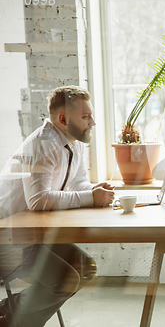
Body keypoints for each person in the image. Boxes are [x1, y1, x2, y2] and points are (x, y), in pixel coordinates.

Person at [0, 86, 115, 327]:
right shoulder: (44, 144)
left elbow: (78, 182)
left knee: (86, 267)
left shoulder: (75, 143)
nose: (92, 122)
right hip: (8, 240)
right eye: (85, 116)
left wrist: (94, 190)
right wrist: (91, 198)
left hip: (32, 235)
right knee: (65, 278)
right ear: (63, 119)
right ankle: (13, 318)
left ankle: (11, 314)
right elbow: (39, 200)